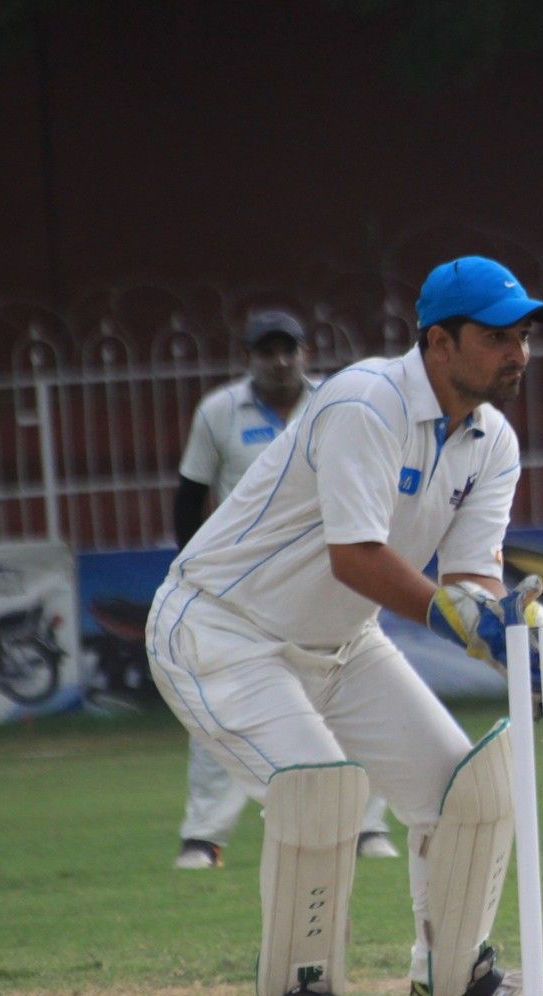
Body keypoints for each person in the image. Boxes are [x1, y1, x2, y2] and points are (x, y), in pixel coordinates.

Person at [146, 256, 543, 996]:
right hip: (222, 629)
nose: (518, 353)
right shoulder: (365, 401)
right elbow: (356, 557)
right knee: (320, 790)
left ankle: (454, 980)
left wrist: (521, 636)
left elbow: (471, 583)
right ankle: (301, 995)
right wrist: (459, 619)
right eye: (496, 337)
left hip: (341, 642)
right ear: (438, 342)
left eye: (523, 336)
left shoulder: (492, 441)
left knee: (471, 790)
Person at [170, 309, 400, 870]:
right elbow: (190, 496)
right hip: (245, 587)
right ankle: (203, 837)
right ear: (248, 357)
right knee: (221, 700)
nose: (279, 361)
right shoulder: (219, 412)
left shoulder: (339, 403)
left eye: (288, 349)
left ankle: (367, 826)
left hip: (333, 576)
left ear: (304, 352)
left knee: (352, 695)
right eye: (266, 351)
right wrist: (193, 568)